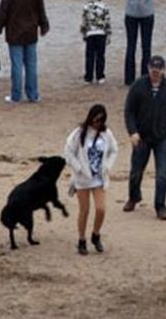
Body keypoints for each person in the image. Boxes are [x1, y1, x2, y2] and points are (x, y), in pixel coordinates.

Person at [123, 55, 166, 221]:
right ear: (148, 68)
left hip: (161, 137)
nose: (155, 72)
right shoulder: (138, 86)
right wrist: (132, 132)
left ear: (163, 70)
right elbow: (129, 111)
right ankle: (133, 197)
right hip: (142, 137)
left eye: (158, 69)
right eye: (153, 69)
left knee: (162, 174)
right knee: (136, 172)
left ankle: (160, 205)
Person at [63, 104, 119, 256]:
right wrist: (78, 167)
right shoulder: (79, 133)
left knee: (101, 209)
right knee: (84, 210)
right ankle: (81, 239)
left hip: (99, 178)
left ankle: (95, 234)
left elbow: (114, 149)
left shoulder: (106, 134)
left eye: (100, 121)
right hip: (82, 179)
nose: (97, 124)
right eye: (95, 120)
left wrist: (107, 166)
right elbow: (68, 151)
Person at [0, 0, 50, 103]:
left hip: (14, 34)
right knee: (31, 65)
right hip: (31, 33)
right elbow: (41, 10)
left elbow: (2, 13)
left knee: (17, 66)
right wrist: (44, 26)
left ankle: (16, 96)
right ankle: (33, 95)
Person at [122, 0, 158, 85]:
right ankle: (144, 76)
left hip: (131, 10)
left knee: (131, 45)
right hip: (146, 10)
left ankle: (129, 78)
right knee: (146, 45)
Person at [80, 0, 111, 84]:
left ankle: (88, 77)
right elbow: (107, 22)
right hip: (101, 33)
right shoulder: (104, 7)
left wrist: (83, 34)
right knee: (100, 56)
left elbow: (84, 22)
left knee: (89, 56)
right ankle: (100, 76)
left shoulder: (86, 7)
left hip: (90, 33)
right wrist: (108, 34)